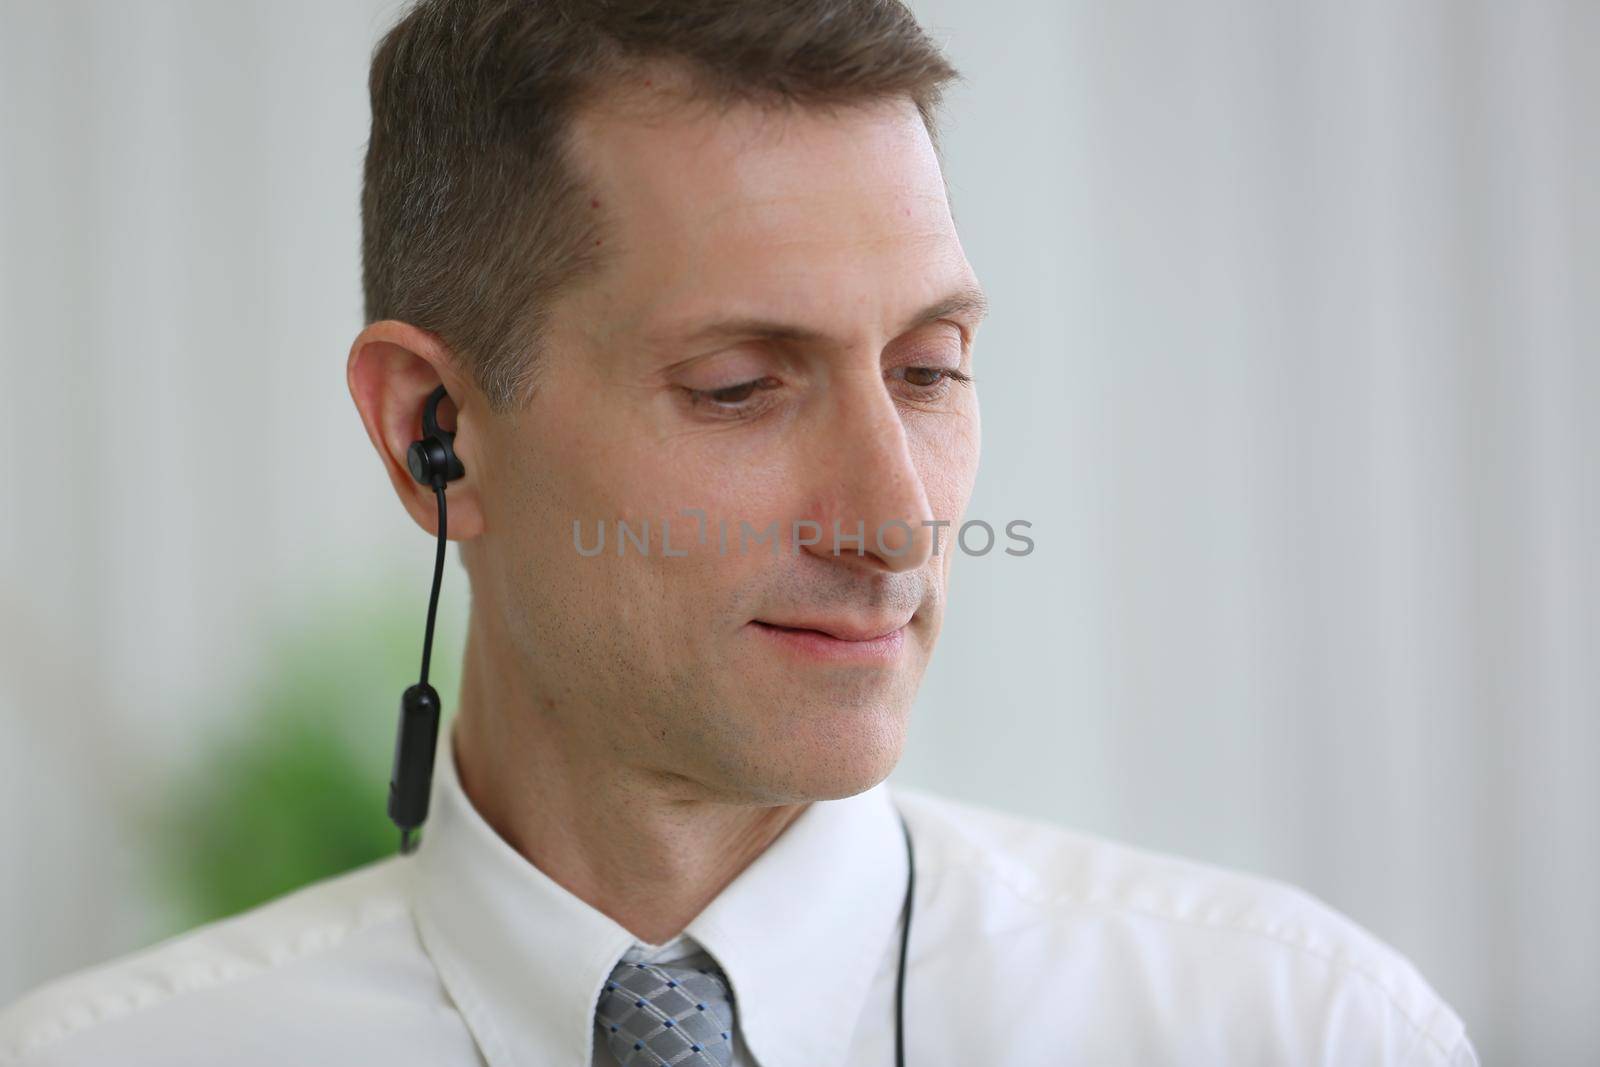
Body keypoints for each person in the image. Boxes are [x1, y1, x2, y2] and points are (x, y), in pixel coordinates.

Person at [0, 1, 1480, 1064]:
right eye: (740, 388)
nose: (898, 516)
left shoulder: (1293, 1030)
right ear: (430, 435)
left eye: (930, 370)